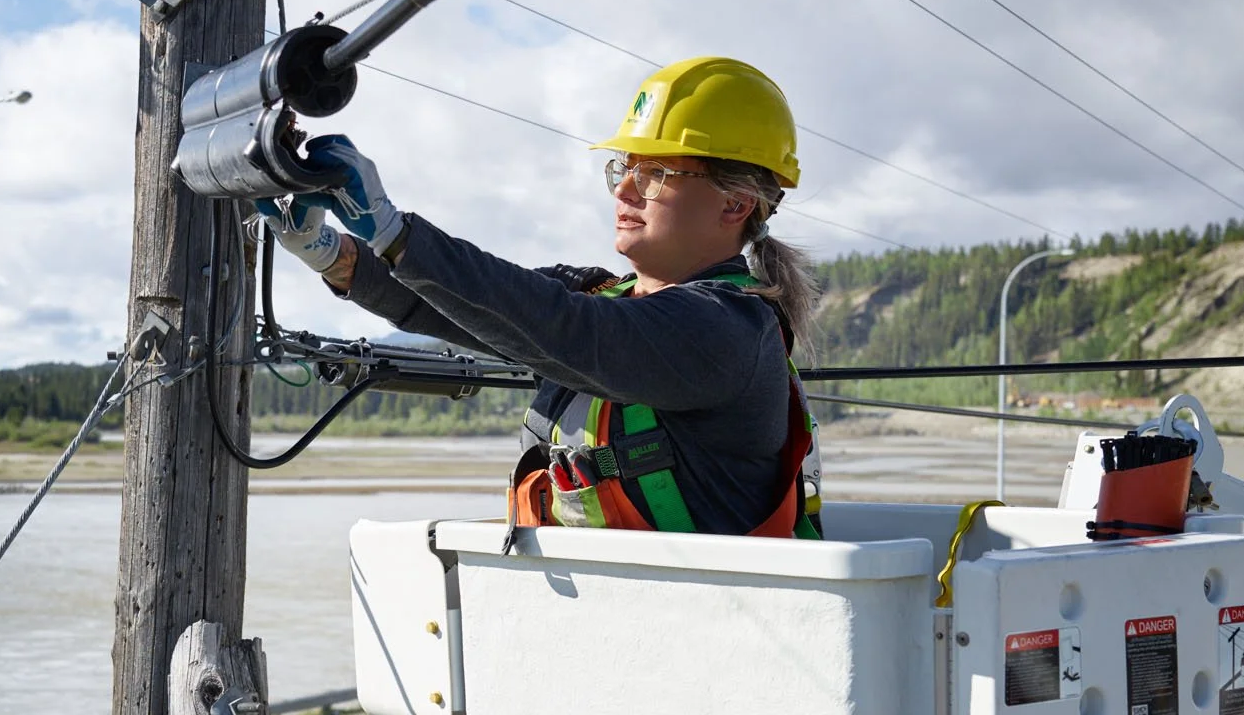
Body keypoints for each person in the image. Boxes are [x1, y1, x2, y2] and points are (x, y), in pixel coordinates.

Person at [258, 55, 821, 538]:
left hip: (703, 635)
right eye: (624, 168)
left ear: (735, 204)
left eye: (655, 174)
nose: (624, 189)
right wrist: (336, 254)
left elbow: (567, 329)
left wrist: (394, 232)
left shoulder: (727, 331)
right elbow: (480, 307)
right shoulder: (605, 296)